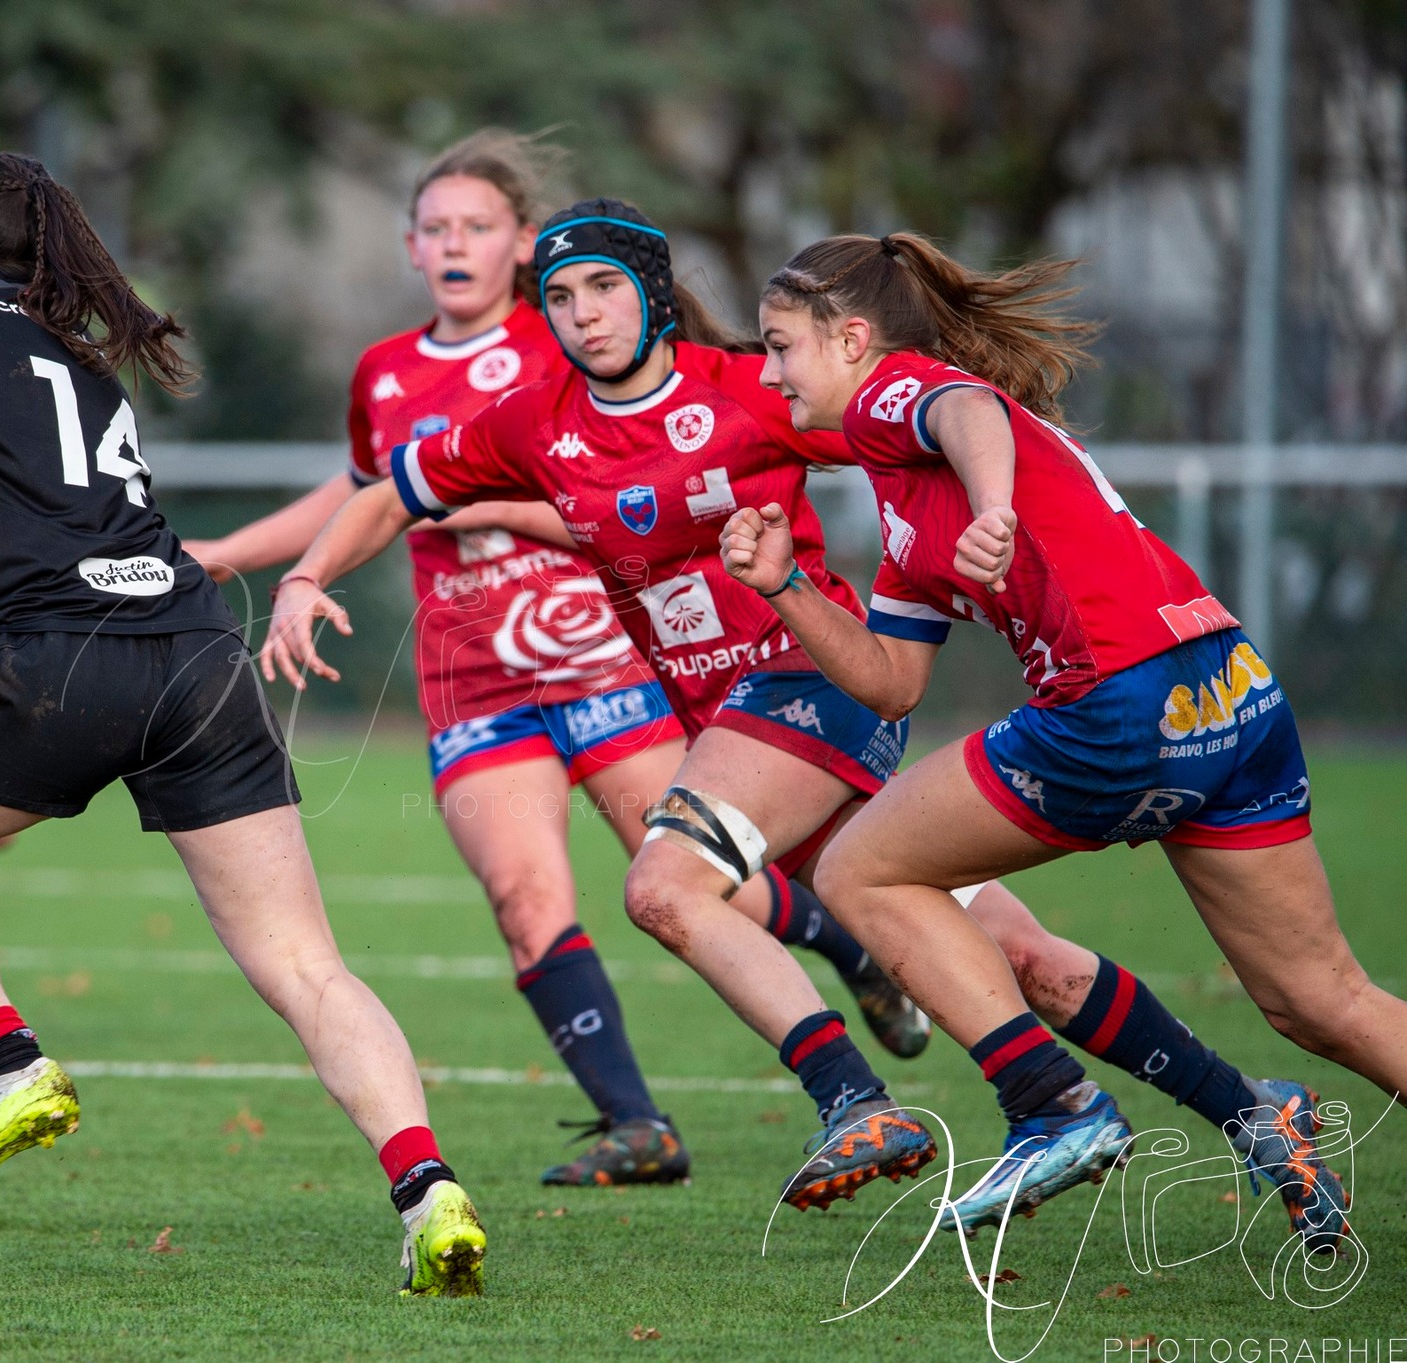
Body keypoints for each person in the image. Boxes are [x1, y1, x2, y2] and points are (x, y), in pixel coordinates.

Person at [266, 200, 1344, 1249]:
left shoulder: (751, 389)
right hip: (741, 726)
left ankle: (863, 1100)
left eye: (602, 286)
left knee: (665, 886)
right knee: (1022, 961)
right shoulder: (531, 420)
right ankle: (1255, 1111)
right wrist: (308, 574)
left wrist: (998, 504)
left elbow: (922, 408)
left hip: (805, 682)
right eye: (557, 295)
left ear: (648, 294)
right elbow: (388, 490)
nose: (582, 312)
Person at [0, 151, 485, 1296]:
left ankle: (5, 1064)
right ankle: (427, 1187)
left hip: (60, 672)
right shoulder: (80, 355)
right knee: (307, 967)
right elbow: (47, 569)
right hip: (196, 657)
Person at [727, 230, 1380, 1245]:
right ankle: (1250, 1110)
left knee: (855, 870)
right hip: (1228, 689)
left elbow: (965, 405)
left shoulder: (900, 395)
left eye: (778, 345)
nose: (768, 373)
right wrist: (782, 586)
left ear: (851, 339)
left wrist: (993, 507)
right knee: (1316, 998)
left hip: (1116, 701)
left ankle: (1051, 1108)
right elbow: (889, 683)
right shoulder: (907, 504)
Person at [187, 129, 748, 1187]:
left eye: (476, 227)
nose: (453, 244)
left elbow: (606, 503)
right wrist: (249, 555)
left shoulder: (568, 342)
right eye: (435, 228)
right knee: (524, 903)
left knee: (711, 878)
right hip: (470, 676)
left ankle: (859, 956)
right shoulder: (386, 371)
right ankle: (638, 1124)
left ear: (522, 244)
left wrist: (464, 495)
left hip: (598, 657)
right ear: (409, 245)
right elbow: (361, 493)